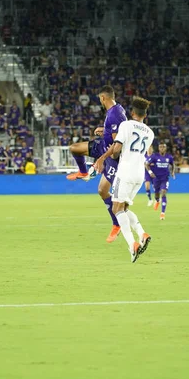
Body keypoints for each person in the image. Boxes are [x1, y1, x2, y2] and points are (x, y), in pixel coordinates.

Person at [96, 97, 154, 262]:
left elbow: (116, 149)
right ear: (145, 114)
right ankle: (142, 234)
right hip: (139, 175)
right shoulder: (150, 132)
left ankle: (132, 245)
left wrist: (102, 158)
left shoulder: (126, 125)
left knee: (117, 209)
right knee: (125, 208)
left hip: (126, 171)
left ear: (132, 113)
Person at [67, 85, 127, 243]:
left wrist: (102, 160)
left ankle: (117, 224)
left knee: (104, 191)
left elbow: (117, 147)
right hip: (103, 146)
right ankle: (84, 172)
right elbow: (116, 133)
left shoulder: (114, 114)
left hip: (113, 158)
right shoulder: (116, 110)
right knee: (74, 149)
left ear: (103, 98)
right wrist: (104, 130)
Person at [146, 142, 176, 220]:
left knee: (163, 193)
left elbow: (173, 164)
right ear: (159, 148)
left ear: (165, 148)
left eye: (163, 147)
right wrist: (150, 172)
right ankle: (157, 201)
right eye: (160, 147)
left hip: (165, 178)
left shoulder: (169, 157)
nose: (162, 148)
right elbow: (146, 164)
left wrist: (173, 172)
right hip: (156, 179)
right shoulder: (155, 156)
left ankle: (162, 213)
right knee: (156, 194)